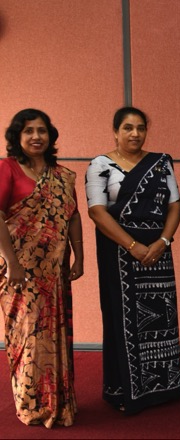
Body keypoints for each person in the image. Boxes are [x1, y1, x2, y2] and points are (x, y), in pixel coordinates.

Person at [85, 107, 180, 414]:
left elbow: (175, 206)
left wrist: (163, 242)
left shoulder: (161, 162)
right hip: (118, 253)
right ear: (115, 132)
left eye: (141, 128)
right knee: (122, 318)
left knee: (160, 317)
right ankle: (125, 390)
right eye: (128, 128)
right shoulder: (100, 165)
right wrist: (132, 246)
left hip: (158, 252)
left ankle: (163, 387)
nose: (135, 134)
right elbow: (96, 211)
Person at [0, 109, 83, 427]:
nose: (36, 136)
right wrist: (12, 263)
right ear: (17, 137)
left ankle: (58, 403)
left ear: (51, 136)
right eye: (29, 131)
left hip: (54, 272)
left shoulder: (62, 175)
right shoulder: (8, 168)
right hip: (19, 274)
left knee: (54, 335)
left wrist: (79, 257)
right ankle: (31, 404)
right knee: (28, 338)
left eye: (42, 130)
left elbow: (73, 215)